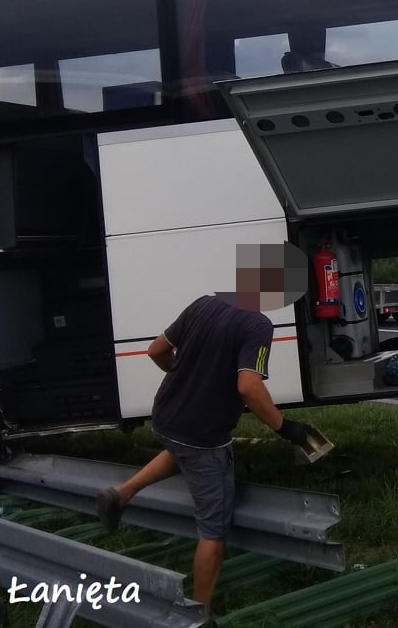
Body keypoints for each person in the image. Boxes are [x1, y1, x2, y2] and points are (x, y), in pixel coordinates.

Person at [95, 244, 313, 621]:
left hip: (167, 416)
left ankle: (121, 495)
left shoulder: (204, 304)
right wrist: (285, 427)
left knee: (181, 452)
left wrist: (184, 375)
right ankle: (201, 614)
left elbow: (156, 350)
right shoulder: (257, 325)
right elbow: (249, 387)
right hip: (203, 433)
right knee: (213, 529)